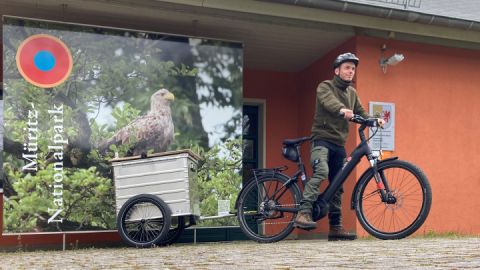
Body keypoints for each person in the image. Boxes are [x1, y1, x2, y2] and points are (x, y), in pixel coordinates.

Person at [293, 52, 384, 241]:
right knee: (321, 172)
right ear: (337, 70)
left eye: (353, 68)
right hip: (322, 140)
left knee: (338, 184)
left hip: (338, 144)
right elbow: (329, 102)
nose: (351, 71)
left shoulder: (352, 93)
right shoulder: (325, 86)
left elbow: (361, 112)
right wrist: (342, 110)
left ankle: (335, 227)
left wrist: (374, 120)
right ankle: (303, 213)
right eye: (347, 68)